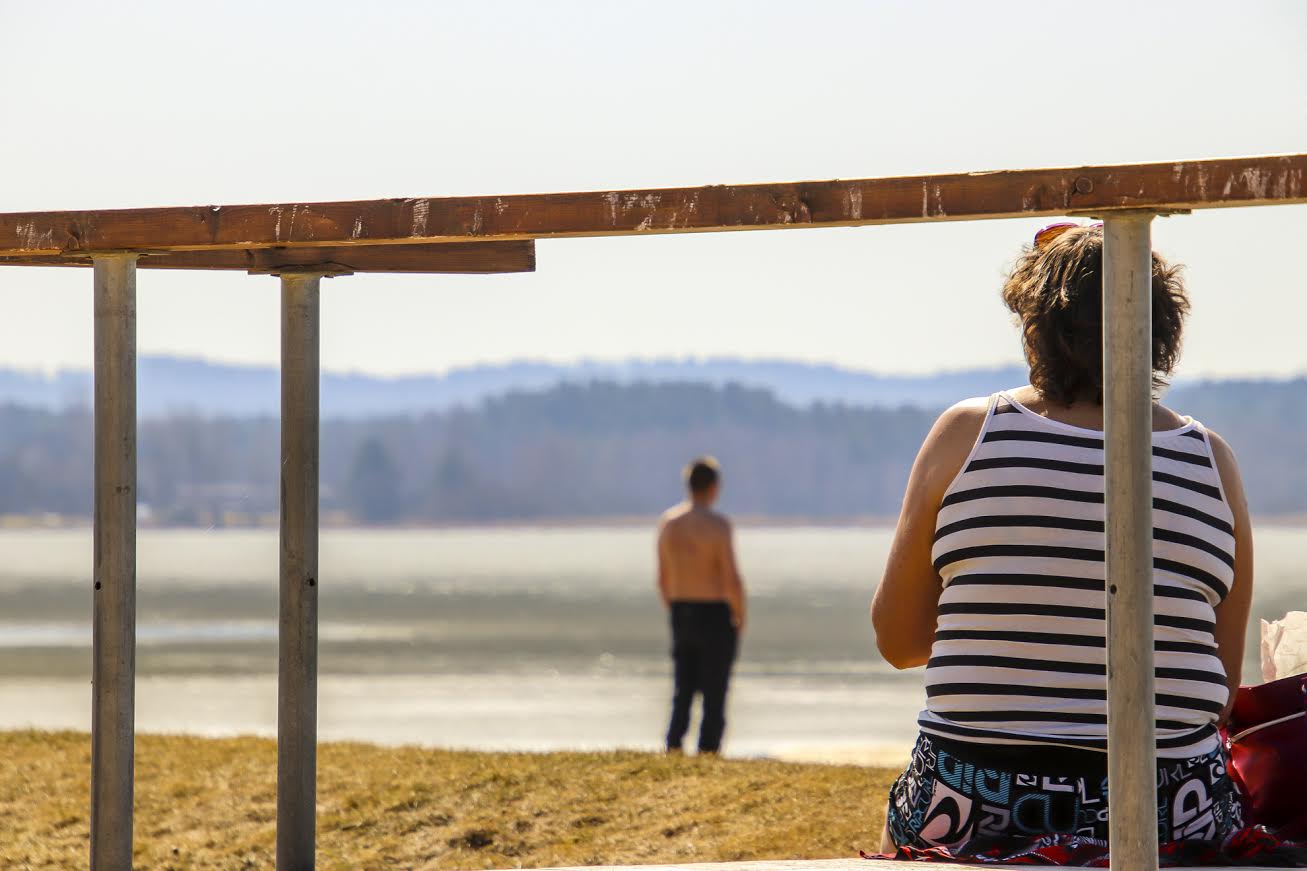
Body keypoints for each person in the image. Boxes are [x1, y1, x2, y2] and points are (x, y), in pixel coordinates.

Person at [870, 223, 1254, 850]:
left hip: (976, 803)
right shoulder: (1211, 462)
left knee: (918, 807)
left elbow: (899, 640)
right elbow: (1218, 688)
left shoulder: (967, 435)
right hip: (1167, 814)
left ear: (1036, 327)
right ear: (1160, 332)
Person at [657, 456, 746, 755]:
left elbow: (663, 579)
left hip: (681, 609)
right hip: (714, 613)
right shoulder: (718, 526)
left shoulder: (670, 523)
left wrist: (675, 610)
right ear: (713, 488)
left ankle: (674, 744)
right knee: (715, 689)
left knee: (683, 686)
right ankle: (708, 749)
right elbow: (732, 578)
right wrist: (739, 615)